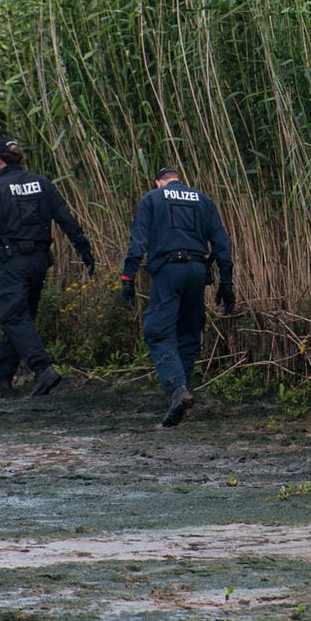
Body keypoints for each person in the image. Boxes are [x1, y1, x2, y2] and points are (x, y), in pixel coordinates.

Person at [0, 136, 95, 398]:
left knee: (13, 315)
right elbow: (66, 219)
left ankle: (42, 368)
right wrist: (85, 251)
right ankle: (3, 377)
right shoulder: (43, 184)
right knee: (22, 315)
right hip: (39, 261)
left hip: (14, 262)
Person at [121, 166, 234, 427]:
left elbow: (138, 242)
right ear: (179, 181)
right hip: (197, 269)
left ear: (158, 182)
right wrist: (225, 283)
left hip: (168, 270)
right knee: (189, 331)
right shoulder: (203, 200)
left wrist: (128, 278)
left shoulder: (152, 198)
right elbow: (222, 245)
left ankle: (176, 389)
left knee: (157, 330)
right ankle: (182, 393)